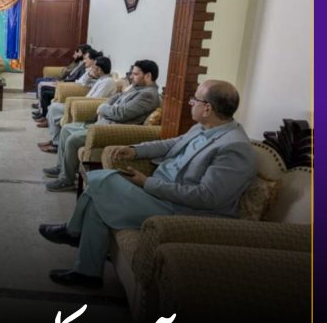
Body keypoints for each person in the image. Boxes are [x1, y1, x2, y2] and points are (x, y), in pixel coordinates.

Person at [39, 79, 256, 285]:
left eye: (195, 99)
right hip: (161, 193)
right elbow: (170, 144)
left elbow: (207, 198)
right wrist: (135, 150)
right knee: (98, 201)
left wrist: (147, 183)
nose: (191, 103)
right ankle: (87, 274)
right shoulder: (202, 127)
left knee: (103, 181)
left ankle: (73, 231)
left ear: (207, 108)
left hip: (182, 210)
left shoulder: (234, 148)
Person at [43, 59, 161, 192]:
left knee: (73, 140)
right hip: (104, 122)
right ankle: (62, 168)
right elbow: (115, 97)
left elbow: (121, 114)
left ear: (148, 76)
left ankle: (66, 180)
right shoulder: (137, 87)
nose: (132, 77)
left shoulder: (148, 95)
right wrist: (105, 106)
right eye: (132, 74)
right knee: (66, 129)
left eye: (135, 74)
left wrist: (103, 108)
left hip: (111, 130)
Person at [37, 54, 117, 153]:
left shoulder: (108, 82)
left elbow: (95, 100)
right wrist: (90, 75)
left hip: (88, 108)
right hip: (82, 104)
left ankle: (56, 143)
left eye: (94, 67)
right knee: (52, 107)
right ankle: (56, 140)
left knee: (54, 109)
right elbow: (84, 83)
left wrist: (76, 103)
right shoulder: (101, 79)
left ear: (99, 69)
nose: (91, 69)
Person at [32, 45, 98, 120]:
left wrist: (62, 83)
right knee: (41, 83)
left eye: (79, 52)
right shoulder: (81, 64)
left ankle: (44, 115)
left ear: (92, 60)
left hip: (68, 87)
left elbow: (79, 81)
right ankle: (42, 111)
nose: (76, 54)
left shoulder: (87, 69)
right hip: (66, 83)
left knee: (44, 89)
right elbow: (68, 72)